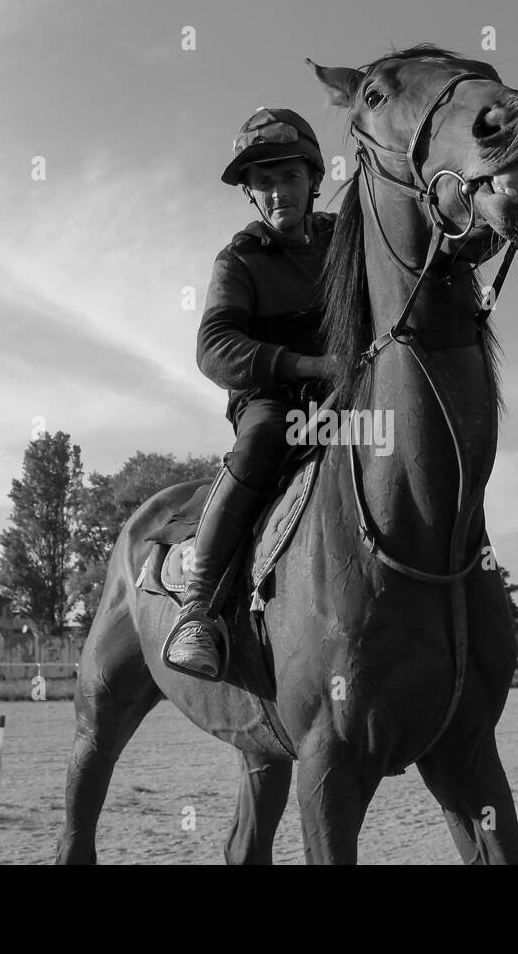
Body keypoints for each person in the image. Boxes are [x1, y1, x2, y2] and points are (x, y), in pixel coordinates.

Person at [163, 107, 336, 681]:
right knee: (262, 437)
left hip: (356, 394)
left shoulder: (348, 241)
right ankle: (198, 609)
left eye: (288, 176)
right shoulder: (238, 259)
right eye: (263, 182)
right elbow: (214, 347)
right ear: (251, 196)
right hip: (277, 400)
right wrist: (308, 363)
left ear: (314, 180)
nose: (277, 191)